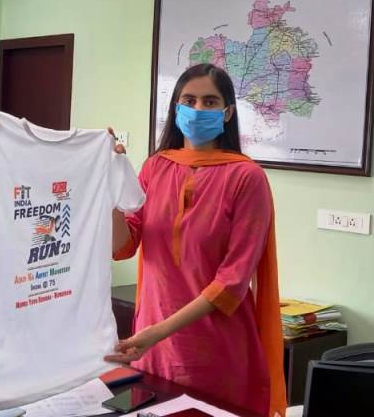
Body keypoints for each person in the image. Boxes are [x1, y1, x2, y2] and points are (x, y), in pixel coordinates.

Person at [107, 63, 287, 417]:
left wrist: (157, 333)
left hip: (214, 348)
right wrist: (110, 183)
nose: (198, 109)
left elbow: (231, 283)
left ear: (227, 112)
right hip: (154, 348)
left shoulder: (247, 177)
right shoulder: (156, 167)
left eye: (210, 101)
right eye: (189, 100)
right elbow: (123, 245)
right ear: (176, 108)